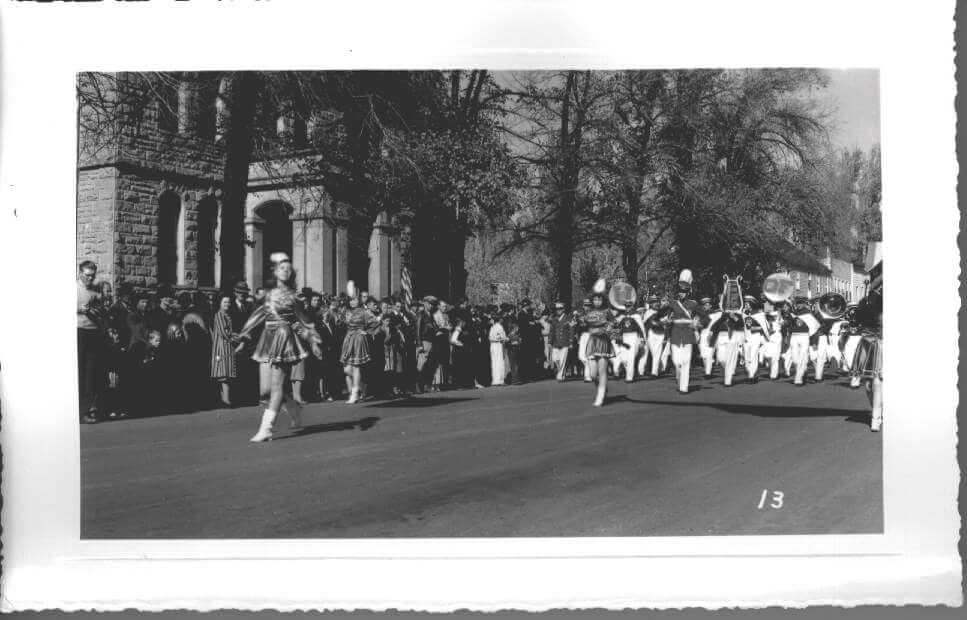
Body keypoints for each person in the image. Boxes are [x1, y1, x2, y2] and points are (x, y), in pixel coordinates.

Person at [235, 253, 322, 442]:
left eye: (289, 268)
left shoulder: (293, 297)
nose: (286, 271)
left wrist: (313, 340)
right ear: (275, 271)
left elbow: (301, 322)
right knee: (266, 390)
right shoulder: (268, 295)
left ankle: (266, 428)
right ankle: (295, 409)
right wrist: (244, 337)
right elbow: (257, 316)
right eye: (282, 267)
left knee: (276, 387)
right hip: (267, 341)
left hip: (284, 340)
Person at [339, 286, 381, 404]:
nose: (353, 302)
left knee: (356, 366)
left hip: (358, 339)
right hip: (348, 339)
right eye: (351, 300)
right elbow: (338, 322)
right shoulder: (345, 311)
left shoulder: (364, 312)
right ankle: (359, 386)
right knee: (347, 369)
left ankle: (354, 393)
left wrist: (366, 332)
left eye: (355, 299)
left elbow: (376, 323)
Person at [77, 260, 106, 423]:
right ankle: (77, 410)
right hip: (79, 331)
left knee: (90, 372)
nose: (90, 278)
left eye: (93, 275)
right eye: (87, 275)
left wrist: (98, 310)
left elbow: (101, 312)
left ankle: (87, 411)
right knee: (79, 371)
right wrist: (79, 309)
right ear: (80, 273)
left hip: (93, 332)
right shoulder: (73, 288)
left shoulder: (96, 291)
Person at [582, 282, 617, 406]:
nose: (597, 301)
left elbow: (614, 323)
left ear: (603, 300)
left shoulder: (607, 312)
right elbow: (583, 325)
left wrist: (610, 327)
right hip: (592, 342)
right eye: (595, 299)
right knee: (592, 375)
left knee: (602, 371)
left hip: (603, 342)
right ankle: (602, 388)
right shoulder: (588, 313)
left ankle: (600, 396)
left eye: (599, 299)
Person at [667, 270, 702, 394]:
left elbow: (704, 316)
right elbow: (665, 317)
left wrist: (697, 321)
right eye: (680, 291)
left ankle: (684, 387)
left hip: (688, 335)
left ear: (688, 292)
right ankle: (679, 376)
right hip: (676, 335)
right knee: (677, 362)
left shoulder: (693, 304)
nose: (681, 294)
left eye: (684, 292)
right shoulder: (672, 304)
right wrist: (668, 320)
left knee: (686, 361)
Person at [210, 294, 237, 407]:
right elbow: (223, 332)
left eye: (228, 302)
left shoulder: (227, 315)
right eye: (224, 302)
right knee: (223, 374)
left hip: (227, 346)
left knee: (226, 374)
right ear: (220, 303)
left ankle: (224, 398)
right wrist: (235, 337)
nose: (227, 304)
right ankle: (225, 399)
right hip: (221, 347)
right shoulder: (219, 315)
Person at [547, 302, 574, 381]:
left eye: (560, 309)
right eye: (557, 309)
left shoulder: (568, 318)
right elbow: (551, 331)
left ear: (563, 309)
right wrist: (549, 341)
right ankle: (562, 372)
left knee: (562, 360)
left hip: (565, 342)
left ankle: (560, 375)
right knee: (555, 359)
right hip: (556, 342)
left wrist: (571, 342)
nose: (558, 311)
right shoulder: (554, 319)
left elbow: (571, 331)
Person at [488, 310, 508, 386]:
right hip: (498, 345)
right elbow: (503, 337)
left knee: (494, 363)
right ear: (499, 319)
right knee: (500, 362)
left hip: (492, 345)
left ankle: (495, 380)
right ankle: (500, 380)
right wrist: (506, 339)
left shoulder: (492, 327)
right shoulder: (499, 327)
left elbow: (490, 337)